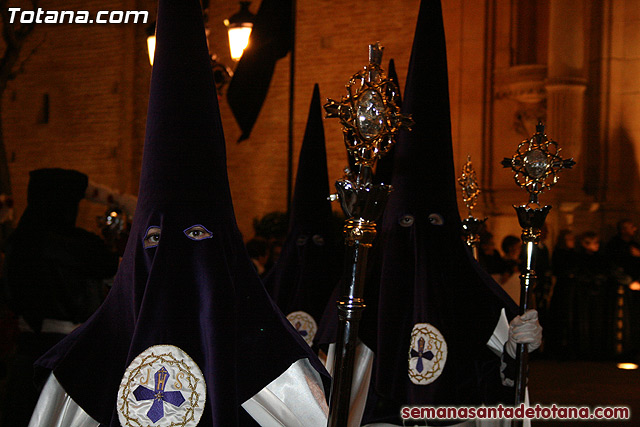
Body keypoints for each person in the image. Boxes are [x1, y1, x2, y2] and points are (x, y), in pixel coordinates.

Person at [27, 1, 329, 425]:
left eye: (196, 235)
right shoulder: (85, 368)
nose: (172, 256)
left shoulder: (275, 369)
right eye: (153, 239)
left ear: (226, 248)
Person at [1, 168, 119, 426]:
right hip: (67, 356)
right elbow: (113, 270)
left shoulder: (15, 242)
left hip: (25, 355)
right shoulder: (77, 244)